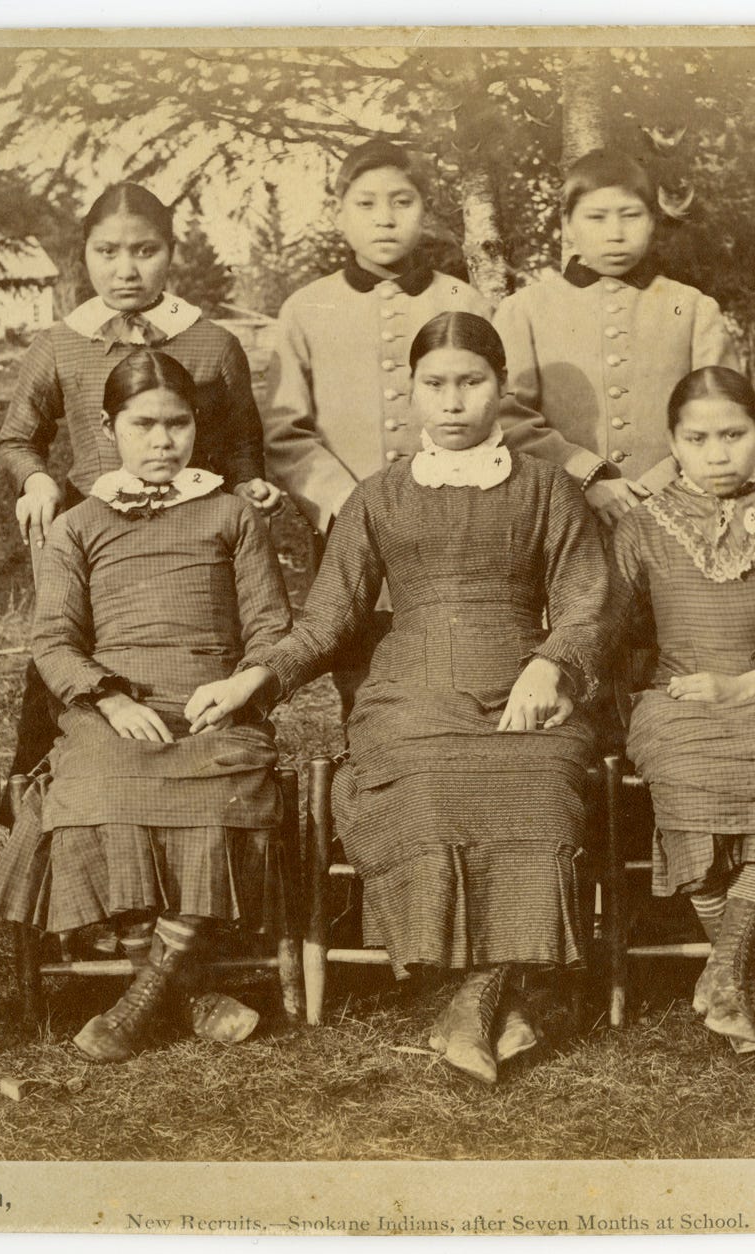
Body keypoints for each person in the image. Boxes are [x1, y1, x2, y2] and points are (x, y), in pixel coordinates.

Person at [188, 312, 610, 1085]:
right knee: (421, 789)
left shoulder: (548, 488)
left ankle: (468, 1000)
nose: (453, 403)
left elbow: (586, 601)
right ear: (412, 393)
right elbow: (327, 618)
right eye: (435, 385)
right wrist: (257, 677)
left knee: (542, 786)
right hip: (407, 694)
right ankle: (496, 1000)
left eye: (471, 383)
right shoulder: (377, 495)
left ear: (502, 388)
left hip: (523, 686)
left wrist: (551, 664)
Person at [0, 351, 295, 1063]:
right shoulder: (79, 524)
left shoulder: (233, 514)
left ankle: (145, 996)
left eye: (178, 424)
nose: (163, 441)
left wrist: (241, 687)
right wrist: (111, 698)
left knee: (222, 789)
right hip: (112, 708)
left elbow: (272, 629)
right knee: (96, 788)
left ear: (196, 427)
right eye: (143, 424)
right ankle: (179, 991)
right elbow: (54, 641)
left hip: (214, 704)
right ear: (106, 427)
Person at [0, 182, 284, 774]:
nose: (126, 269)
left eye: (145, 251)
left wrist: (250, 482)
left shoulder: (214, 343)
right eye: (107, 252)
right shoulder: (60, 344)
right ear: (84, 254)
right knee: (58, 677)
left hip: (191, 537)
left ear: (171, 252)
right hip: (97, 537)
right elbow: (18, 437)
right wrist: (36, 481)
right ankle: (36, 811)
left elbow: (241, 441)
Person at [611, 368, 755, 1052]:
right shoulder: (641, 528)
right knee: (684, 774)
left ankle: (726, 971)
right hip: (678, 700)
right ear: (673, 445)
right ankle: (738, 979)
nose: (717, 454)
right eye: (698, 438)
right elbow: (612, 630)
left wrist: (751, 683)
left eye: (734, 435)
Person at [263, 139, 494, 716]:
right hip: (351, 531)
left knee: (458, 668)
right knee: (363, 674)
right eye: (366, 204)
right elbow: (285, 430)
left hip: (456, 522)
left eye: (402, 201)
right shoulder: (305, 308)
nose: (385, 218)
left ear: (426, 209)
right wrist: (345, 504)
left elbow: (493, 409)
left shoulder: (464, 299)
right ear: (340, 213)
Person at [491, 148, 742, 527]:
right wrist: (585, 477)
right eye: (596, 217)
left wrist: (661, 484)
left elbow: (726, 415)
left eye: (631, 216)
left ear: (653, 221)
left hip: (681, 516)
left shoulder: (692, 309)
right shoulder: (523, 310)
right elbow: (506, 417)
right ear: (567, 223)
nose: (615, 234)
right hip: (565, 521)